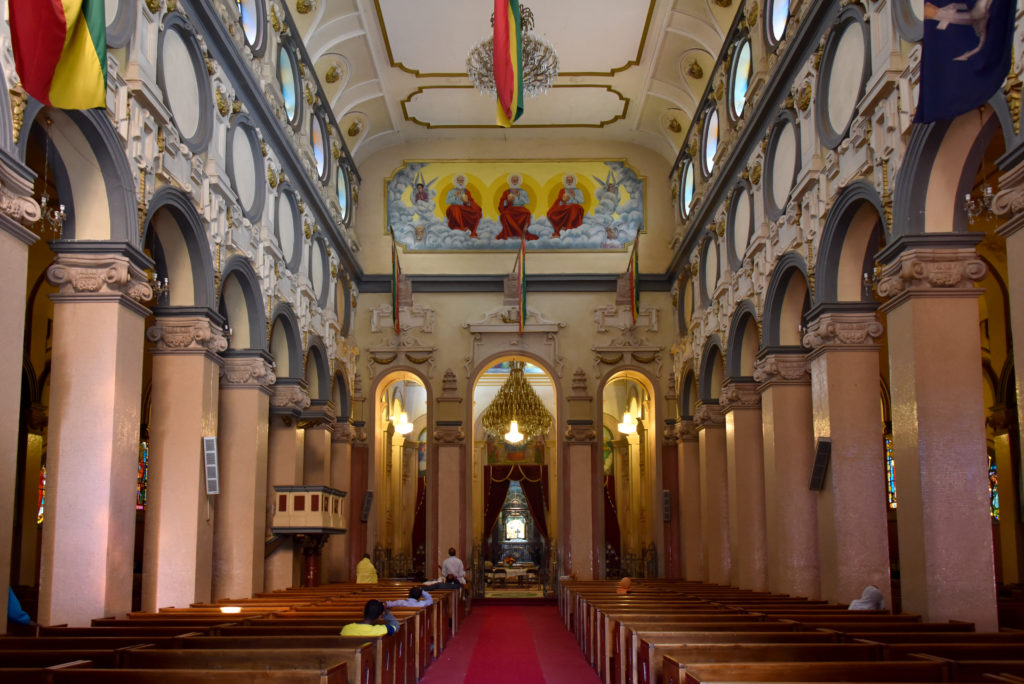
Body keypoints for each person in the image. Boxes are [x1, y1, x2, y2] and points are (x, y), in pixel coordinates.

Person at [497, 173, 538, 241]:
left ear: (519, 181)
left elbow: (527, 202)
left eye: (516, 180)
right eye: (513, 180)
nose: (515, 182)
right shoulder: (506, 192)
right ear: (511, 181)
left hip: (520, 208)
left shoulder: (523, 192)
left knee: (526, 213)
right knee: (505, 215)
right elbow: (502, 203)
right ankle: (516, 233)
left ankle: (521, 233)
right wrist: (507, 201)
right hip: (510, 208)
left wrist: (519, 195)